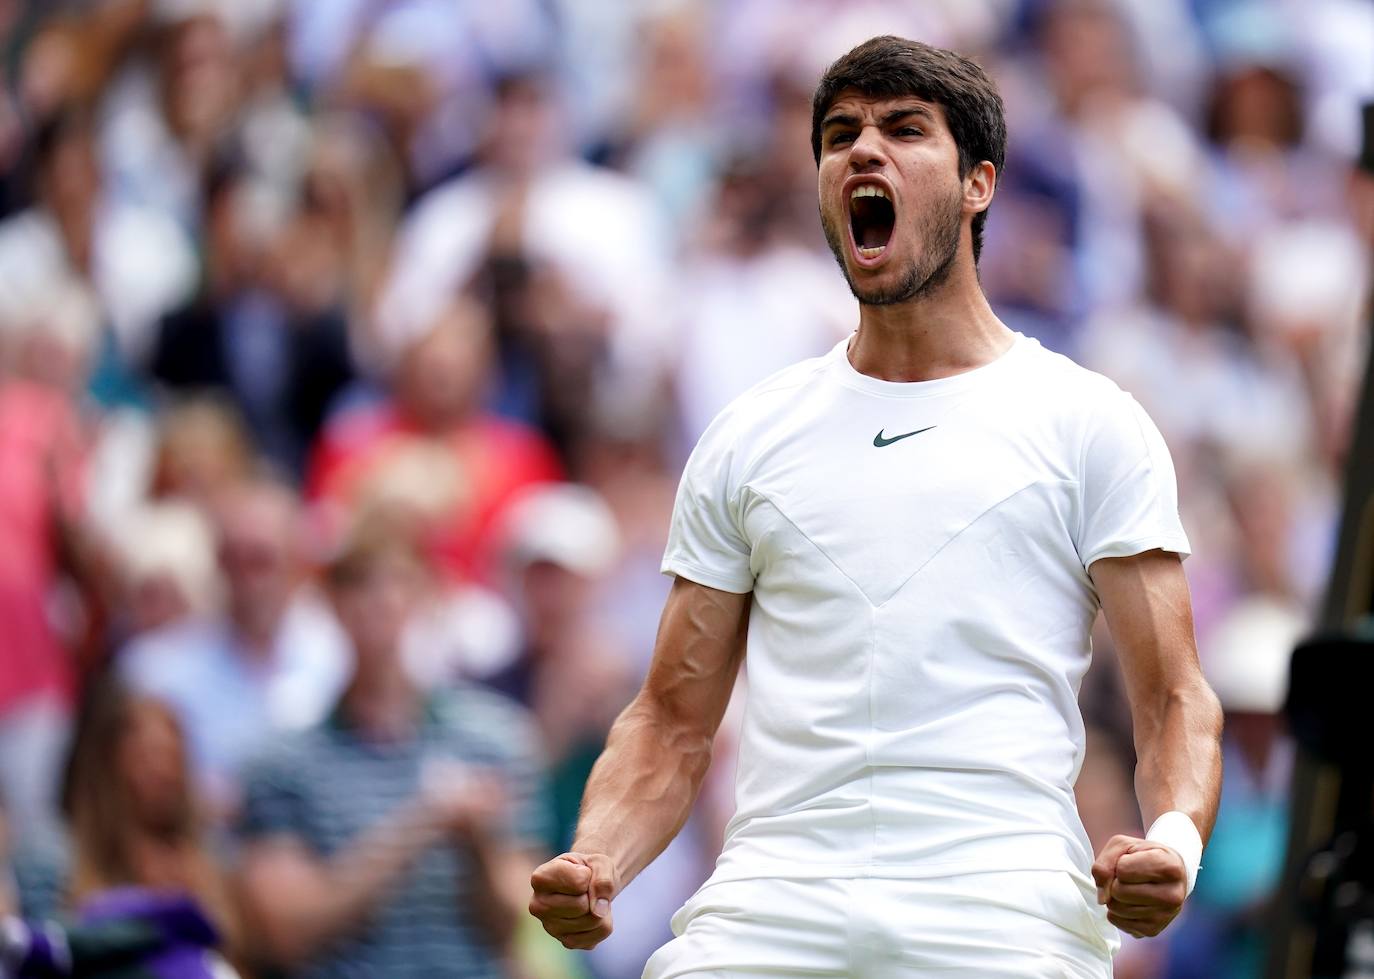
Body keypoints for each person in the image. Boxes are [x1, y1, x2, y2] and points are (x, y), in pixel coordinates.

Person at [528, 35, 1225, 978]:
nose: (863, 151)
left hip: (999, 918)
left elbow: (1174, 695)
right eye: (840, 133)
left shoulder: (1090, 422)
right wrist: (598, 855)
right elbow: (671, 719)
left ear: (979, 184)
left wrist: (1173, 841)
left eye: (903, 129)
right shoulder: (748, 436)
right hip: (770, 914)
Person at [235, 513, 549, 978]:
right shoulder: (282, 762)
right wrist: (423, 822)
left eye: (396, 584)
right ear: (331, 602)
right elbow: (287, 933)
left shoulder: (495, 739)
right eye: (359, 586)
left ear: (424, 596)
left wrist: (477, 844)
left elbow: (514, 922)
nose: (379, 603)